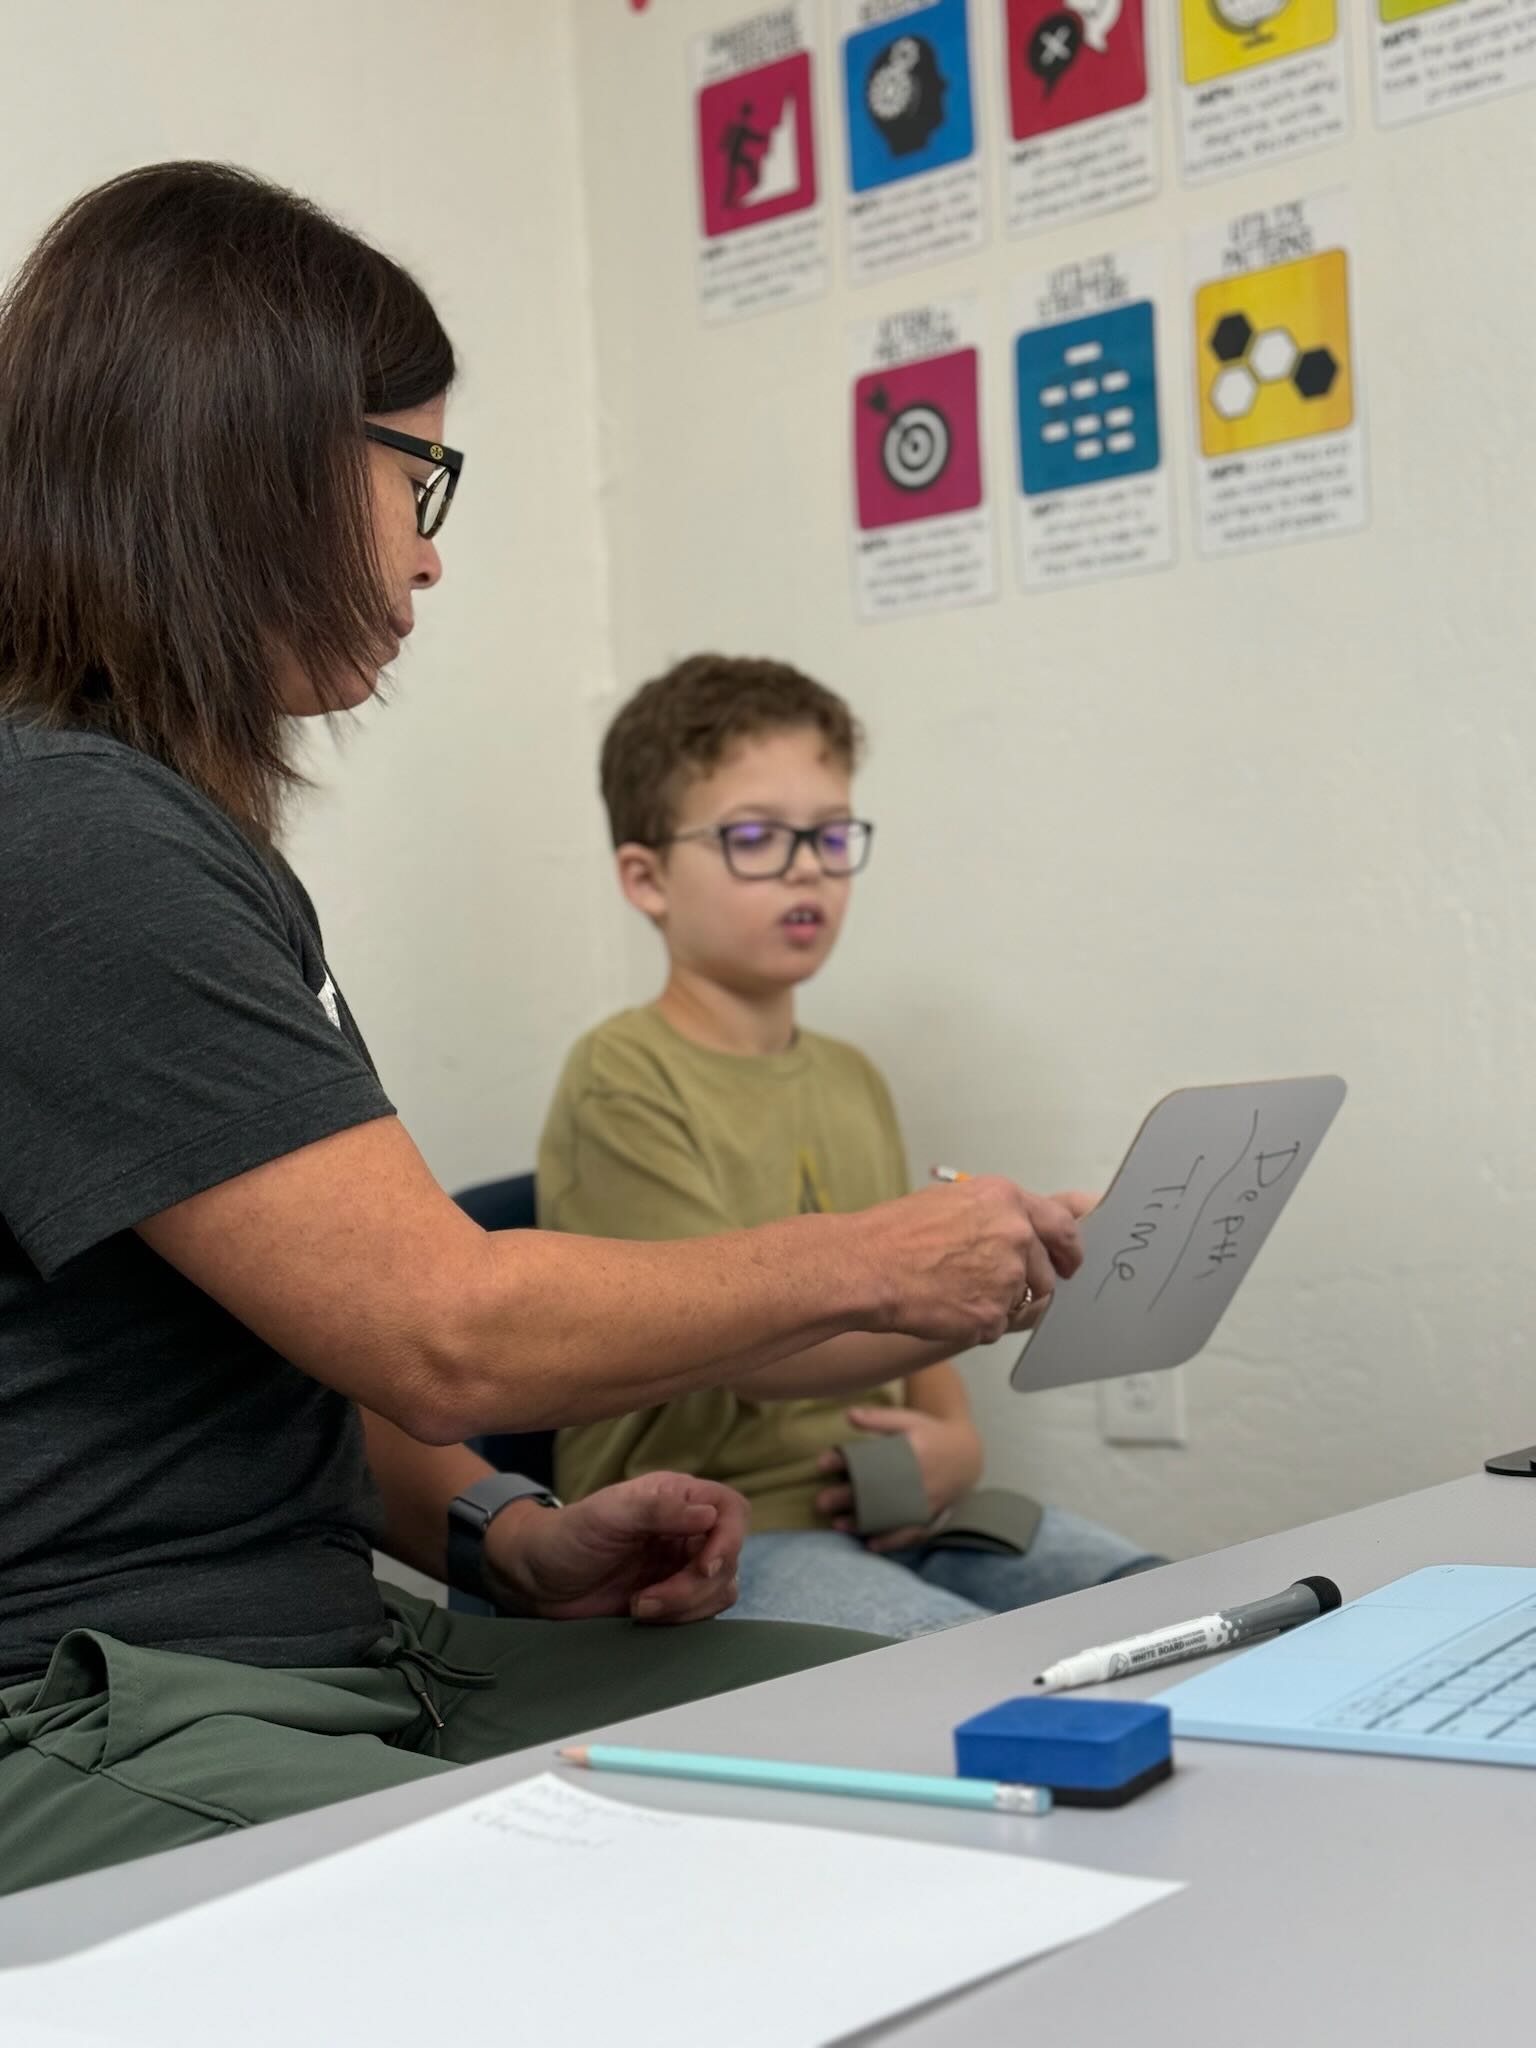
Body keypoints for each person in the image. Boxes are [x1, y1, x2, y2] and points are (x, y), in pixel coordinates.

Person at [0, 164, 1086, 1897]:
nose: (430, 550)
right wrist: (880, 1261)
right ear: (254, 455)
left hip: (344, 1655)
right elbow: (448, 1331)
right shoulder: (67, 832)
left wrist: (503, 1528)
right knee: (814, 1866)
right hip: (101, 1706)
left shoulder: (155, 827)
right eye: (414, 474)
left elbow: (281, 1357)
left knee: (951, 1745)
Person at [540, 655, 1163, 1638]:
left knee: (1166, 1600)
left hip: (892, 1511)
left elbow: (906, 1304)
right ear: (646, 878)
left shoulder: (851, 1076)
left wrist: (954, 1434)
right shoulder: (622, 1074)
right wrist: (1000, 1296)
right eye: (755, 838)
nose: (809, 868)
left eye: (831, 836)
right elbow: (739, 1343)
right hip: (725, 1532)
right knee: (960, 1664)